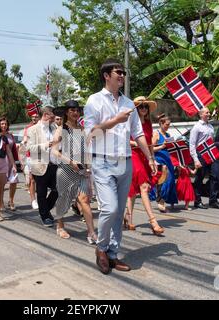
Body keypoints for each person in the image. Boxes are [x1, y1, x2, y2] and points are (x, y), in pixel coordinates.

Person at [84, 58, 157, 275]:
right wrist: (115, 121)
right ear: (107, 75)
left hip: (125, 162)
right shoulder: (94, 101)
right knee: (110, 208)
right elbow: (90, 134)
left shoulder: (129, 104)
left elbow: (139, 134)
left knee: (118, 214)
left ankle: (113, 254)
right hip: (103, 161)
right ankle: (101, 248)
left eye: (124, 72)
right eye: (118, 72)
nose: (122, 76)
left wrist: (150, 157)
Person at [51, 100, 97, 243]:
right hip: (65, 169)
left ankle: (91, 233)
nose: (75, 113)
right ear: (66, 112)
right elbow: (53, 151)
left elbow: (85, 150)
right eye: (72, 110)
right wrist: (70, 161)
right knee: (64, 199)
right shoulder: (61, 129)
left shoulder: (82, 129)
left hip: (82, 170)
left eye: (77, 110)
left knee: (85, 200)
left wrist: (88, 166)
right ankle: (60, 226)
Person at [125, 96, 164, 236]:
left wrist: (152, 159)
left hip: (145, 157)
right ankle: (153, 221)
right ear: (136, 109)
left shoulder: (148, 123)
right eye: (140, 106)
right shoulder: (131, 122)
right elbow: (123, 139)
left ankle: (128, 217)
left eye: (145, 106)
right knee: (144, 187)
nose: (143, 109)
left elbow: (150, 145)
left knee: (134, 190)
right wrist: (136, 143)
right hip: (134, 155)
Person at [190, 107, 219, 209]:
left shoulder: (210, 126)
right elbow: (192, 144)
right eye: (206, 112)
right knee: (200, 177)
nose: (209, 114)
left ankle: (213, 200)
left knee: (216, 175)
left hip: (212, 152)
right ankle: (197, 201)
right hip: (201, 154)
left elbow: (211, 140)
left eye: (209, 112)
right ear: (201, 115)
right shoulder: (196, 127)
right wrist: (195, 159)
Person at [27, 105, 59, 227]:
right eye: (52, 115)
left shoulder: (55, 127)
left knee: (59, 189)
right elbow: (30, 148)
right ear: (46, 115)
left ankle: (44, 208)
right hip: (40, 166)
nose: (54, 117)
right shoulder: (33, 129)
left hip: (54, 165)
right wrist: (46, 144)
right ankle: (45, 216)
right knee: (41, 192)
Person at [152, 114, 178, 212]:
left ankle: (168, 200)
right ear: (161, 123)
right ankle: (160, 200)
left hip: (169, 160)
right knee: (164, 180)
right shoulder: (156, 134)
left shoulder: (168, 135)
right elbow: (151, 148)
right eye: (167, 124)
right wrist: (161, 147)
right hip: (160, 161)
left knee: (171, 181)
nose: (168, 126)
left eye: (169, 124)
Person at [19, 112, 40, 210]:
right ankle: (33, 200)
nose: (34, 118)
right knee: (32, 179)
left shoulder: (43, 127)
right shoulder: (27, 128)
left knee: (41, 180)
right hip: (30, 156)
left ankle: (41, 198)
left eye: (36, 116)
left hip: (42, 156)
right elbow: (24, 141)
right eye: (33, 116)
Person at [0, 117, 19, 211]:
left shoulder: (10, 136)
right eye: (2, 123)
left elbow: (13, 149)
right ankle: (1, 202)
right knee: (2, 183)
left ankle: (11, 201)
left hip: (10, 161)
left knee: (14, 182)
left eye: (5, 124)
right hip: (0, 161)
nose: (4, 125)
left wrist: (15, 163)